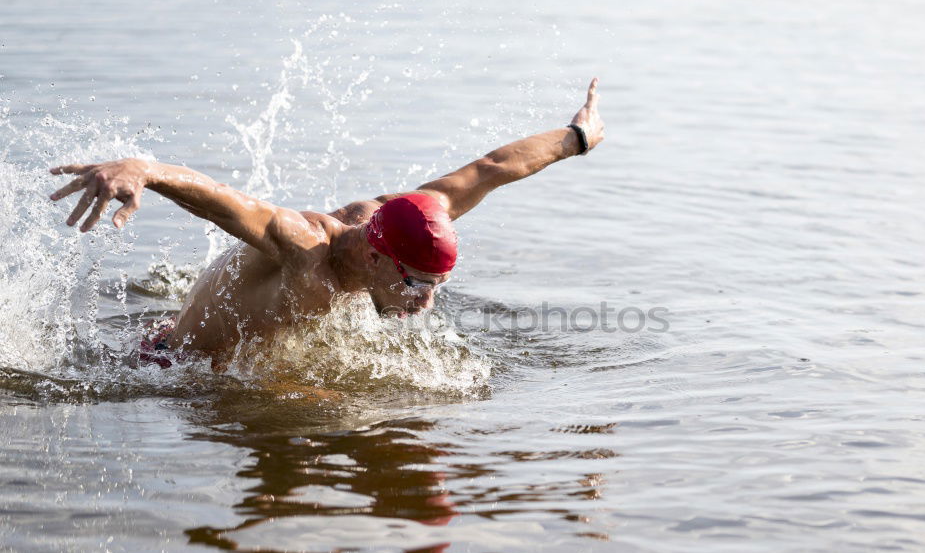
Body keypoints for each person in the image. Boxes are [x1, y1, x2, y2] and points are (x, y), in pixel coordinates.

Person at [49, 79, 604, 369]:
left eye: (436, 286)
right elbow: (229, 203)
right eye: (415, 283)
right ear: (372, 256)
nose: (425, 302)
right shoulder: (305, 247)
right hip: (173, 364)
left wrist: (576, 137)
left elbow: (492, 169)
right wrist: (145, 171)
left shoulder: (410, 216)